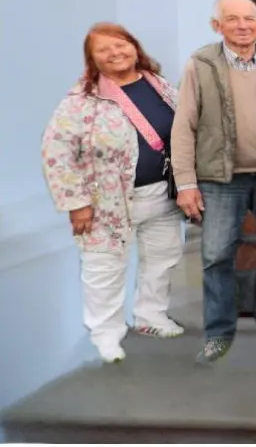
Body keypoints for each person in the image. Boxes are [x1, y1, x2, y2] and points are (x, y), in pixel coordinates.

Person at [41, 23, 186, 363]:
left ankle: (151, 317)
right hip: (106, 203)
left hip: (163, 194)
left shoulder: (160, 86)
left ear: (135, 47)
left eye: (121, 44)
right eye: (104, 49)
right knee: (103, 268)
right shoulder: (80, 101)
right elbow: (57, 152)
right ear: (92, 59)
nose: (115, 52)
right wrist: (77, 204)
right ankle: (106, 334)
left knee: (162, 258)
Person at [171, 0, 256, 363]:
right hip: (219, 176)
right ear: (217, 26)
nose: (244, 25)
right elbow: (184, 126)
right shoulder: (201, 64)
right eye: (233, 19)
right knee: (215, 254)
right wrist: (186, 183)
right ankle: (218, 331)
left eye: (250, 18)